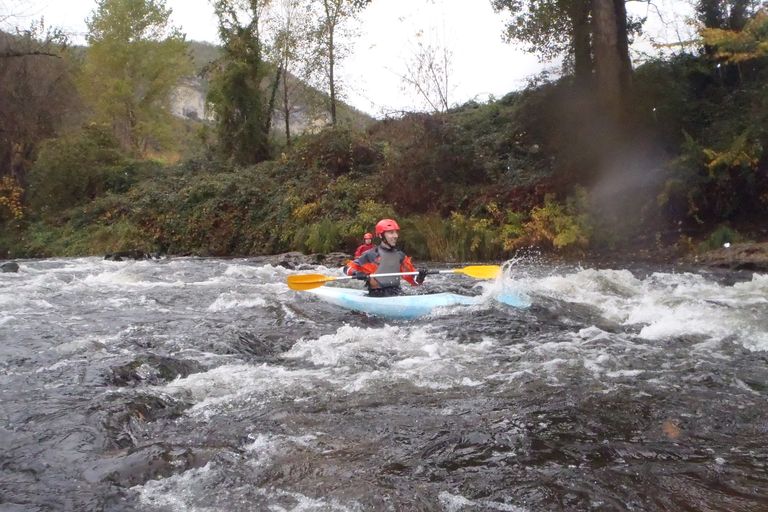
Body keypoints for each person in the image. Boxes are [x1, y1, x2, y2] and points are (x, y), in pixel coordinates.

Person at [343, 218, 428, 297]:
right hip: (376, 295)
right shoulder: (370, 255)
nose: (395, 236)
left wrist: (420, 277)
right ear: (381, 235)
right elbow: (347, 268)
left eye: (396, 232)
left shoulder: (400, 256)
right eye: (391, 232)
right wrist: (357, 273)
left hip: (397, 293)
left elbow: (414, 282)